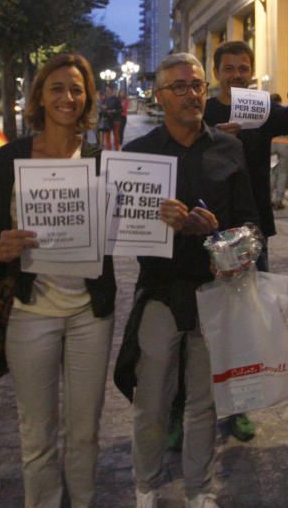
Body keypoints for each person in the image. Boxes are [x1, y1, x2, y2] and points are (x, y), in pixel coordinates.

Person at [113, 52, 258, 508]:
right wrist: (155, 220)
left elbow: (251, 226)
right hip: (160, 290)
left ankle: (199, 488)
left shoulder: (228, 149)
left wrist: (215, 234)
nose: (192, 94)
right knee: (152, 399)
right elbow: (117, 228)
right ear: (159, 96)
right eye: (180, 87)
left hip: (214, 291)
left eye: (196, 85)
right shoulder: (138, 155)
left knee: (203, 402)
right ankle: (147, 485)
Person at [0, 54, 116, 508]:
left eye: (76, 89)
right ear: (39, 96)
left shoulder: (100, 161)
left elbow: (121, 231)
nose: (67, 98)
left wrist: (153, 217)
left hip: (88, 314)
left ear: (87, 98)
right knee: (36, 432)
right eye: (56, 88)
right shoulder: (8, 160)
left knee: (86, 431)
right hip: (28, 312)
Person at [195, 40, 288, 442]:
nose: (236, 75)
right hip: (206, 229)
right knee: (200, 326)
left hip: (254, 229)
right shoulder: (202, 111)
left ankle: (238, 408)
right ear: (216, 71)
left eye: (243, 68)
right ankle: (186, 408)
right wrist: (212, 136)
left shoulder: (259, 106)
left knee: (248, 326)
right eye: (229, 68)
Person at [269, 94, 288, 210]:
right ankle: (279, 200)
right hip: (286, 144)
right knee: (283, 172)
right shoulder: (285, 111)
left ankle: (268, 199)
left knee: (271, 171)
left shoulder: (268, 111)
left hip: (272, 144)